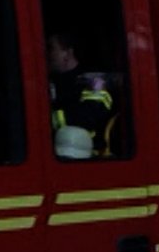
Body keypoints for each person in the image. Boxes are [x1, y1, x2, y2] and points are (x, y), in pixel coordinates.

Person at [45, 32, 115, 160]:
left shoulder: (93, 80)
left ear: (67, 53)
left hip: (88, 157)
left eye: (51, 48)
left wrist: (49, 121)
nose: (46, 54)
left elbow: (89, 114)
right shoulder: (48, 81)